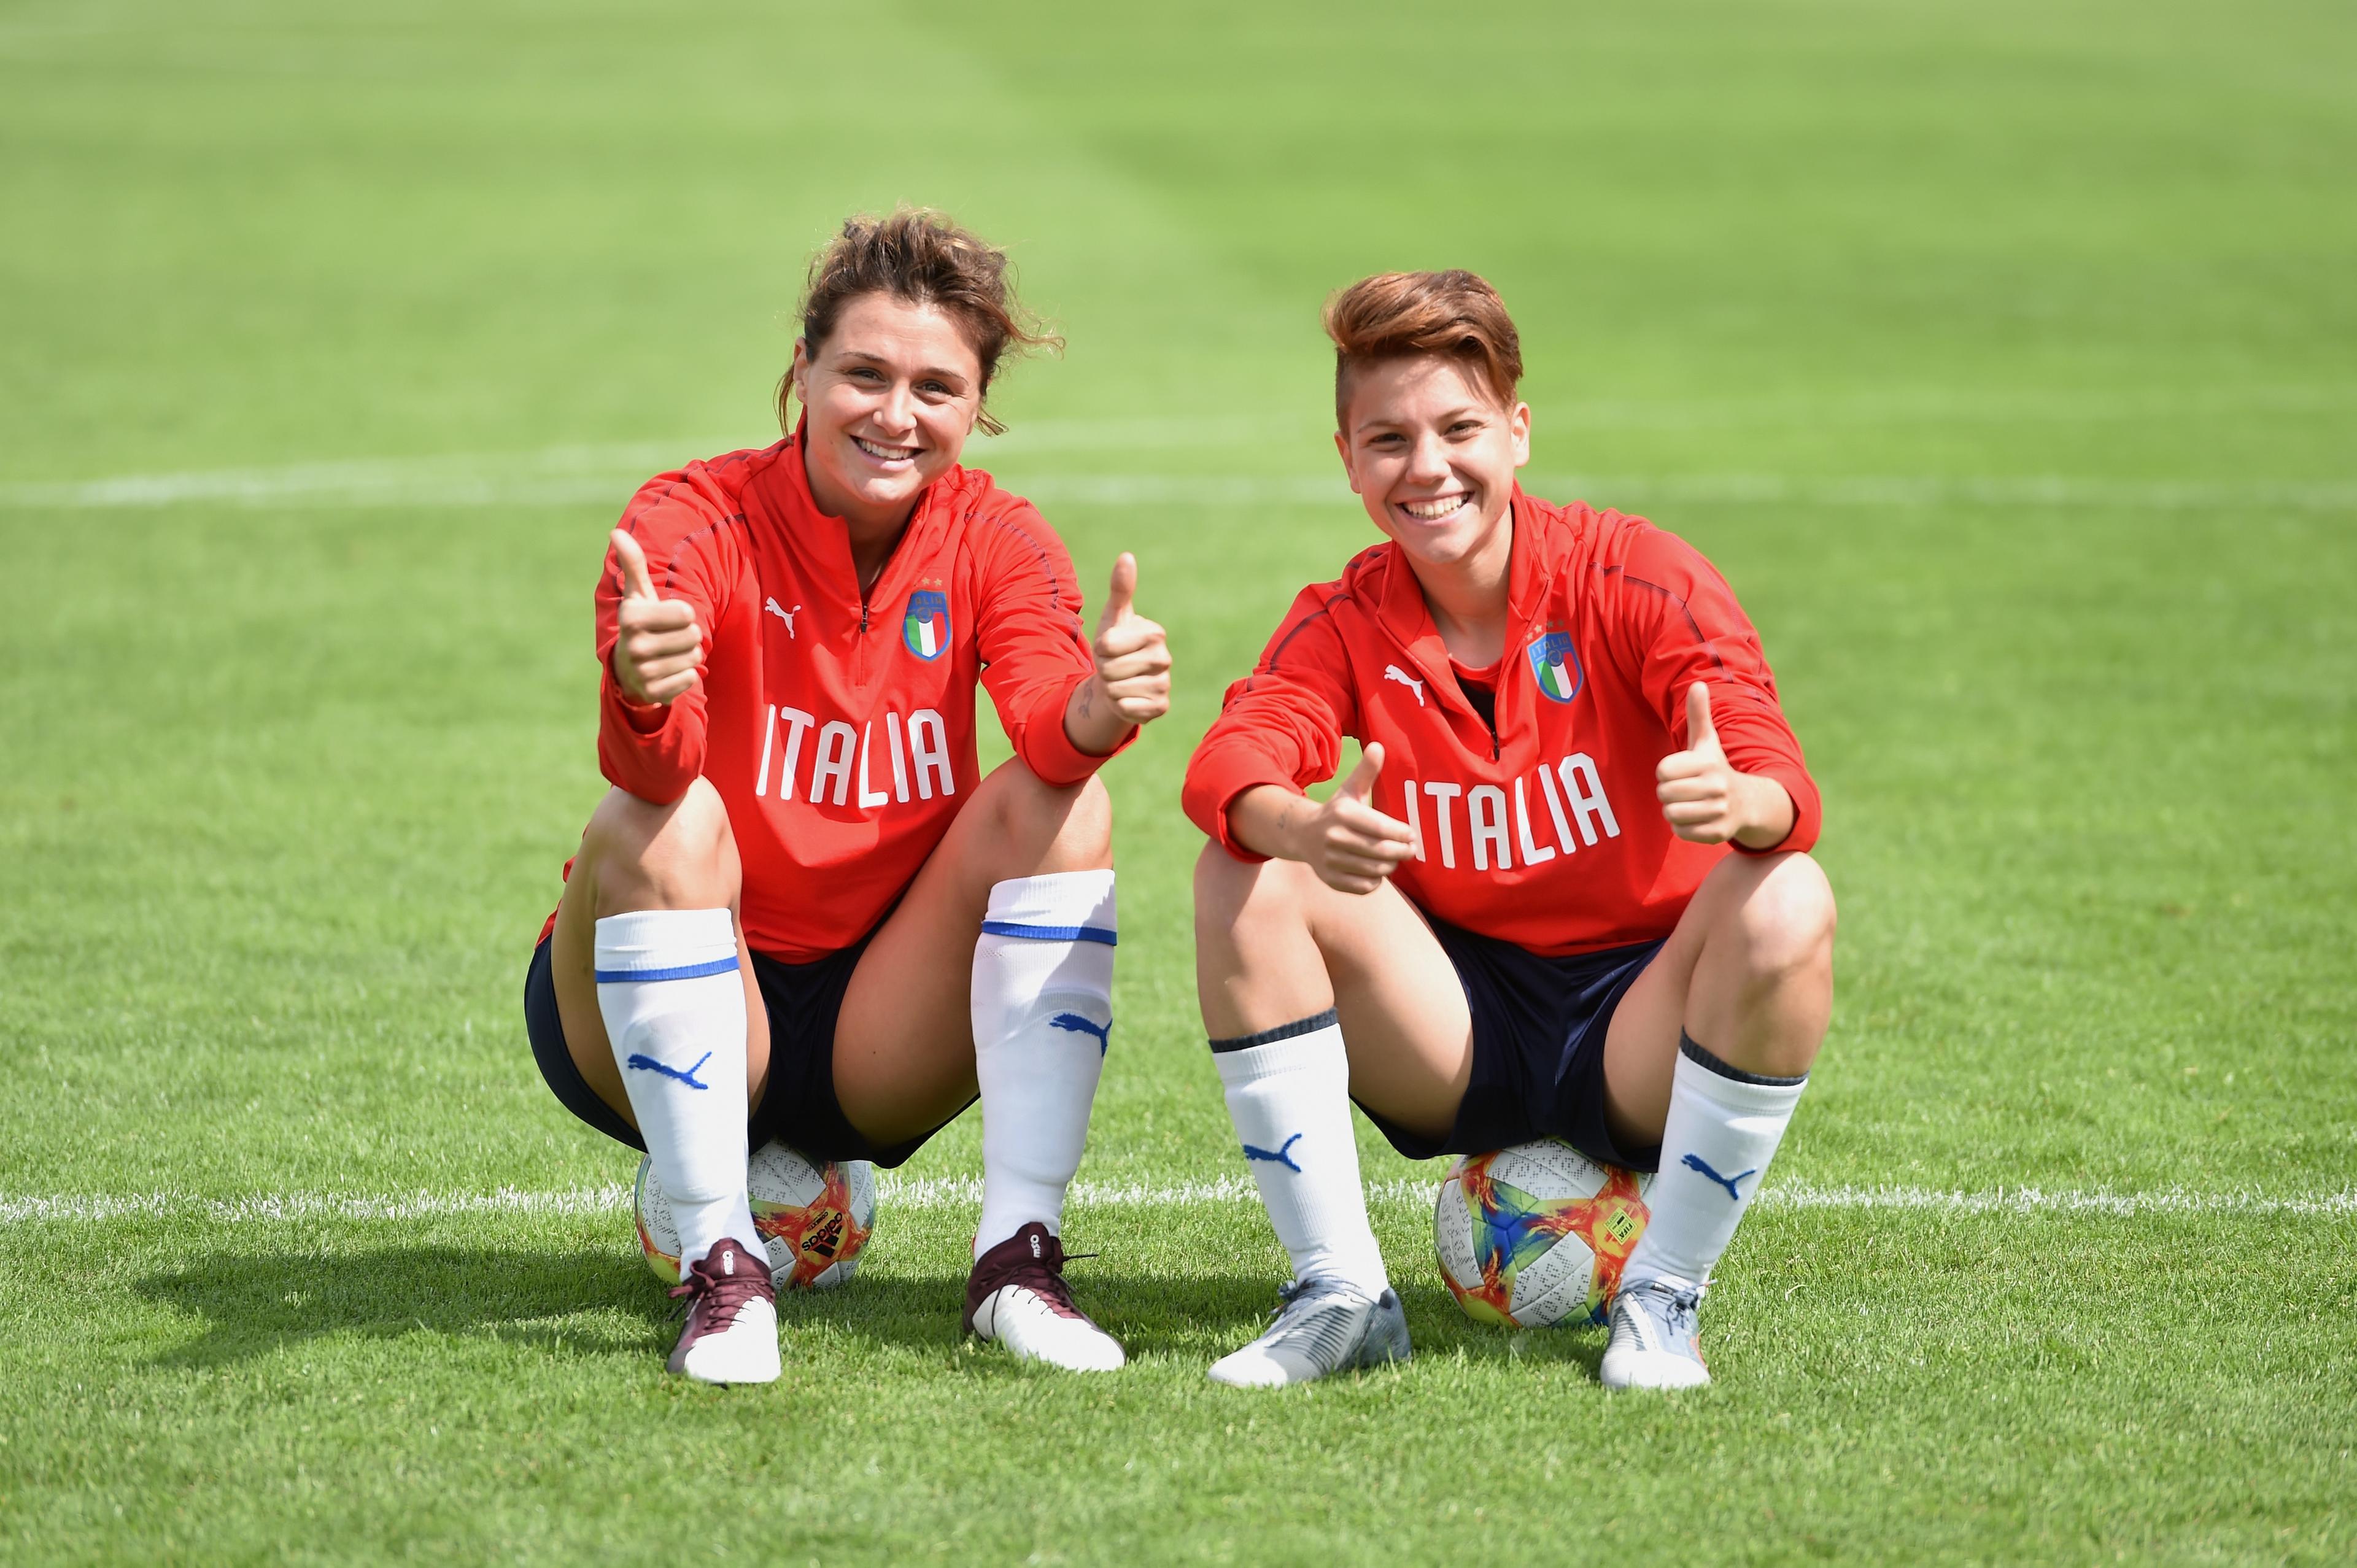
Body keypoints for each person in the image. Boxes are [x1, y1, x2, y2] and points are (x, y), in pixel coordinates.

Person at [524, 209, 1172, 1384]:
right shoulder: (689, 517)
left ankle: (1017, 1265)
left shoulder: (1002, 538)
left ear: (977, 408)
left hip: (884, 1016)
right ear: (803, 373)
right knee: (653, 821)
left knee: (1065, 807)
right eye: (864, 374)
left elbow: (1047, 724)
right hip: (670, 977)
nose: (896, 413)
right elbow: (653, 775)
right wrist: (643, 688)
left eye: (936, 386)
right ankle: (722, 1274)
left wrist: (1101, 708)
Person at [1182, 271, 1835, 1389]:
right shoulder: (1344, 616)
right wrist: (1301, 823)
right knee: (1246, 872)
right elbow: (1232, 758)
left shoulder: (1637, 575)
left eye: (1459, 429)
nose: (1427, 468)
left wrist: (1744, 806)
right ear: (1347, 458)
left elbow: (1777, 771)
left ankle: (1665, 1297)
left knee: (1789, 895)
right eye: (1387, 439)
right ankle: (1340, 1292)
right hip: (1457, 1019)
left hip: (1640, 1016)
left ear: (1518, 433)